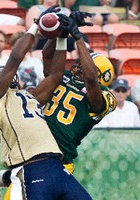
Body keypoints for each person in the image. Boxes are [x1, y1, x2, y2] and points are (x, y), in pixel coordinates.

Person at [0, 7, 92, 199]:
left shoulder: (29, 98)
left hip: (56, 164)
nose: (3, 74)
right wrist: (36, 25)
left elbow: (56, 75)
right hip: (29, 168)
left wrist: (62, 37)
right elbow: (14, 59)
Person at [43, 11, 117, 173]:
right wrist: (61, 32)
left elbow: (91, 80)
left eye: (85, 64)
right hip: (36, 150)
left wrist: (78, 37)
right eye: (79, 62)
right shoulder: (63, 77)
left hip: (59, 161)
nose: (78, 66)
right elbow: (47, 56)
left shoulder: (105, 97)